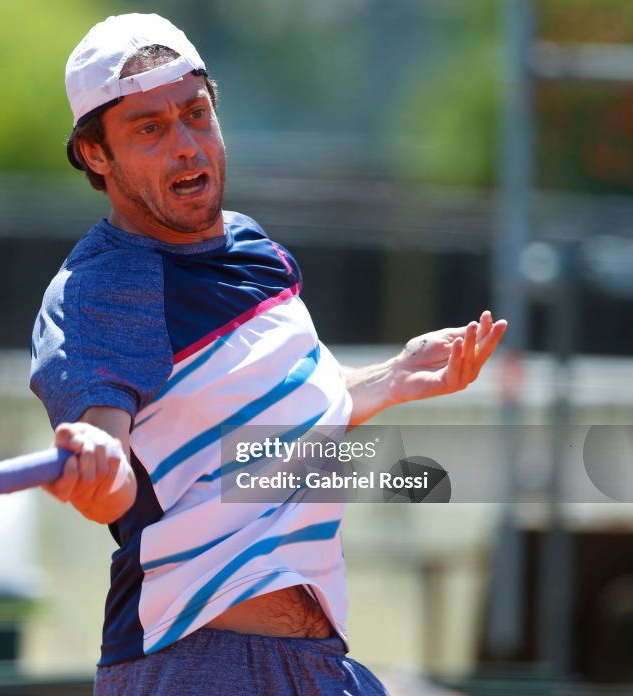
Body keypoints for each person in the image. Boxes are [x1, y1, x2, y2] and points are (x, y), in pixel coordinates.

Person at [29, 13, 507, 695]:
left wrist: (393, 379)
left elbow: (284, 428)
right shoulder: (103, 289)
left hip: (320, 665)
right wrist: (95, 462)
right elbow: (112, 479)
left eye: (196, 114)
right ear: (95, 156)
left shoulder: (256, 250)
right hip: (196, 666)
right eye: (149, 129)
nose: (187, 146)